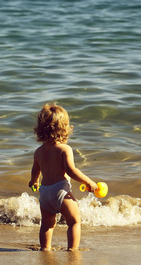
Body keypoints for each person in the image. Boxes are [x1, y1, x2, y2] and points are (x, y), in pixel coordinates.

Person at [29, 102, 97, 251]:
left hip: (45, 192)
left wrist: (34, 182)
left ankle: (45, 249)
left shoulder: (38, 151)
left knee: (47, 224)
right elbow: (71, 170)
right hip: (60, 190)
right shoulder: (65, 149)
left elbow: (35, 171)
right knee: (74, 221)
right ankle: (72, 250)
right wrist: (88, 181)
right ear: (65, 127)